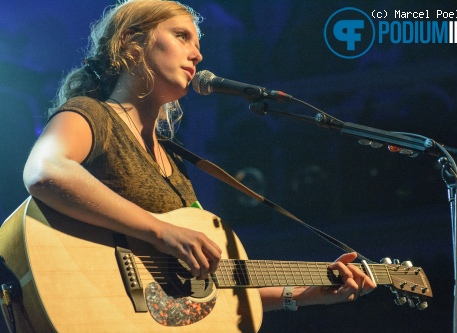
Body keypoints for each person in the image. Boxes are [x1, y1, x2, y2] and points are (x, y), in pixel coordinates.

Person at [23, 0, 375, 321]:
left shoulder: (173, 163)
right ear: (131, 43)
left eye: (197, 44)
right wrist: (161, 231)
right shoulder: (92, 115)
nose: (197, 55)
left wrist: (305, 294)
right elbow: (45, 171)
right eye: (181, 36)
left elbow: (208, 282)